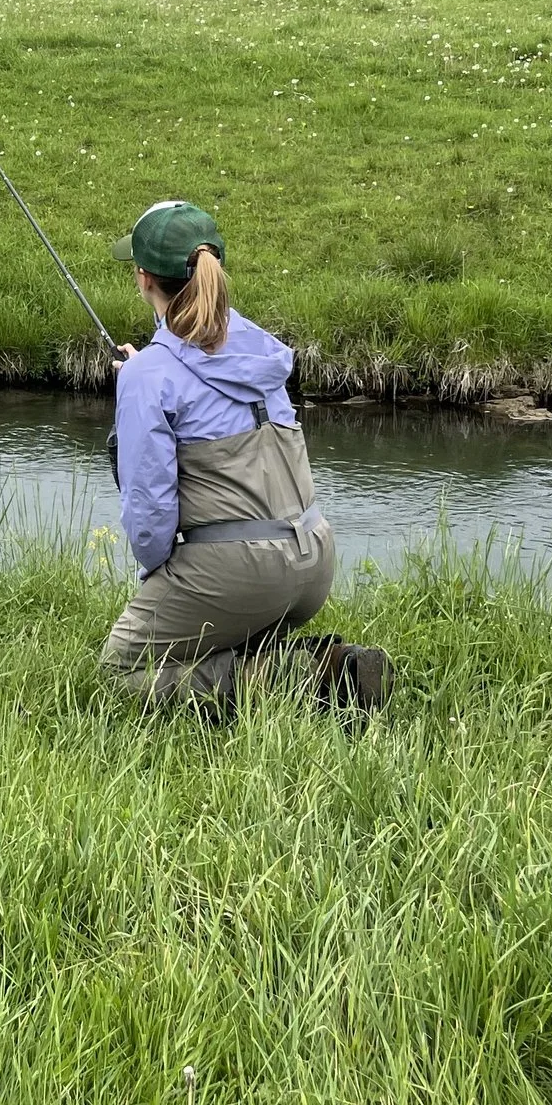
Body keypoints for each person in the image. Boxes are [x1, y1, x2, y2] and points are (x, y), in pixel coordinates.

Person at [100, 199, 391, 718]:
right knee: (216, 629)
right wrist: (145, 374)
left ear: (144, 278)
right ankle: (331, 664)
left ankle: (298, 678)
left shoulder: (150, 376)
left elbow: (149, 525)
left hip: (242, 574)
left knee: (120, 673)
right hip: (313, 559)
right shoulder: (259, 348)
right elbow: (202, 376)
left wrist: (163, 581)